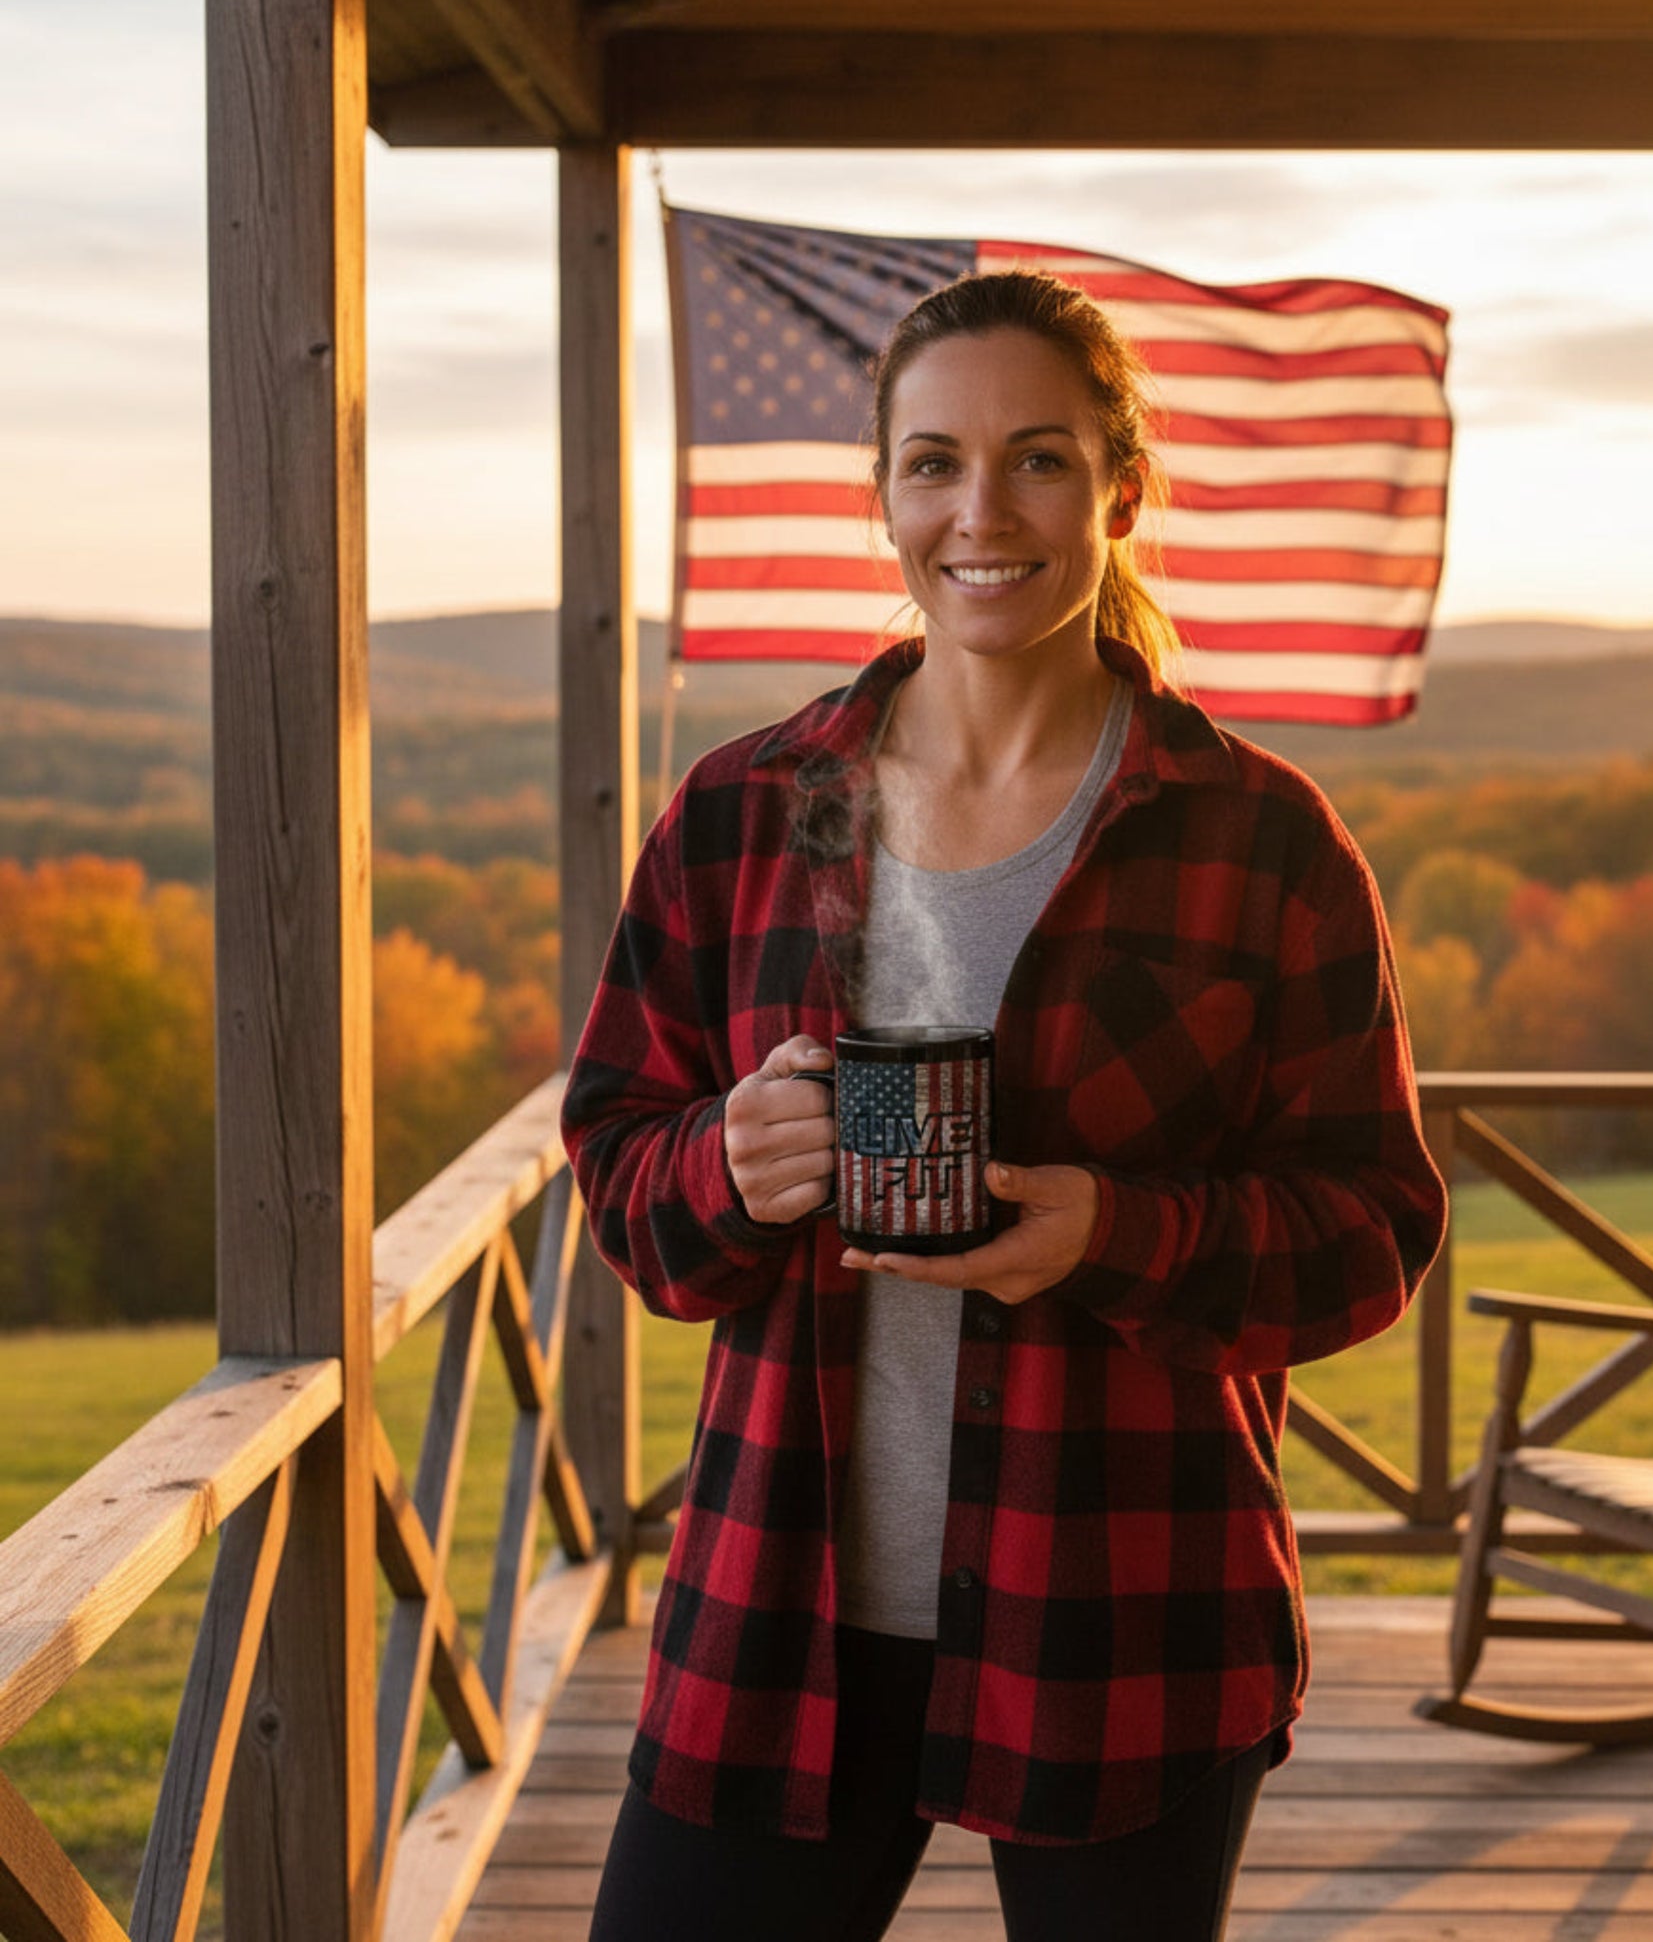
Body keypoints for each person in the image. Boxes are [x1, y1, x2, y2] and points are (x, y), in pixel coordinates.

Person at [564, 268, 1448, 1942]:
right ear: (882, 493)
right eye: (934, 463)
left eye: (1038, 459)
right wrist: (721, 1167)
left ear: (1121, 487)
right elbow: (617, 1157)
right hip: (780, 1606)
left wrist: (1114, 1232)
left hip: (1123, 1614)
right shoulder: (742, 811)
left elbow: (1370, 1231)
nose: (982, 511)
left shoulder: (1260, 839)